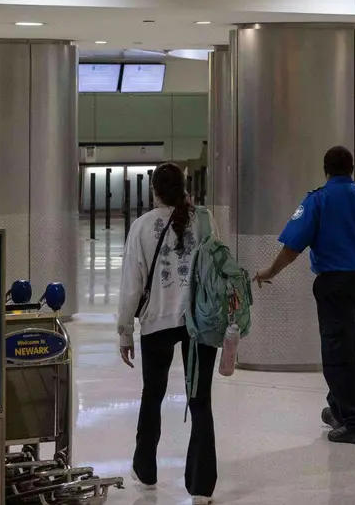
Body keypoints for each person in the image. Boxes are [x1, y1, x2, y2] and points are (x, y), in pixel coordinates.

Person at [252, 146, 355, 445]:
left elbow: (292, 247)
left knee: (338, 354)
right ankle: (339, 408)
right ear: (352, 168)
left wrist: (270, 272)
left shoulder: (318, 200)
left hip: (334, 285)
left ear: (325, 170)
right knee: (352, 349)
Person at [117, 162, 217, 504]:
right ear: (184, 187)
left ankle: (146, 472)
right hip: (199, 321)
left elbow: (132, 283)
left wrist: (124, 331)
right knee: (200, 399)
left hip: (157, 322)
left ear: (154, 191)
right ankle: (202, 486)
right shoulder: (203, 220)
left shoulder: (142, 227)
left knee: (153, 395)